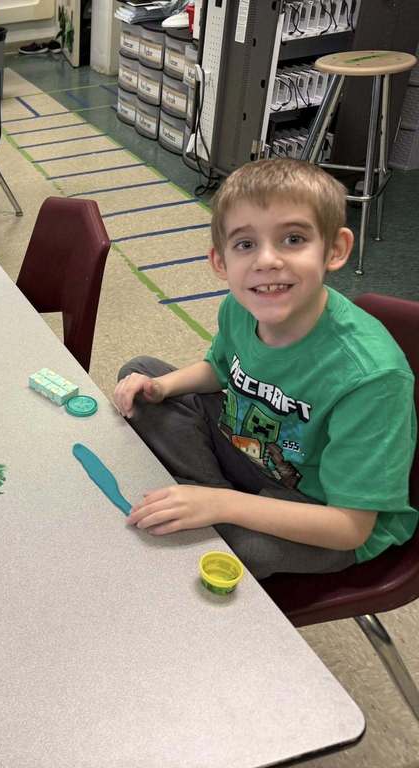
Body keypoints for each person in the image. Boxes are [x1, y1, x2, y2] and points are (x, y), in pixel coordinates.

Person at [113, 158, 417, 579]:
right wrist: (160, 387)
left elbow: (350, 527)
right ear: (221, 262)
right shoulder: (240, 307)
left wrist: (221, 507)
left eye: (293, 239)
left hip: (316, 507)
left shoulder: (370, 376)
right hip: (246, 454)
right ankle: (211, 493)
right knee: (141, 369)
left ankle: (211, 500)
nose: (267, 260)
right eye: (245, 245)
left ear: (335, 250)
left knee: (248, 547)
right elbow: (220, 371)